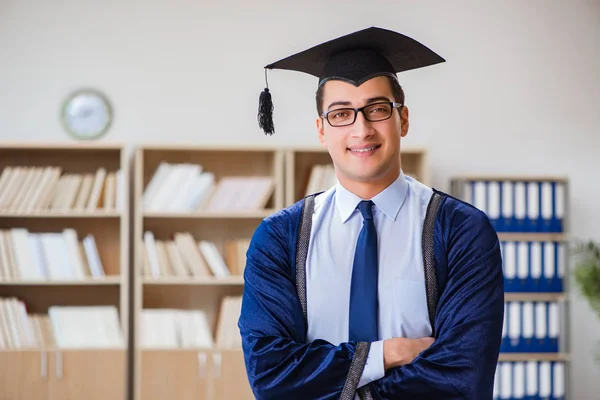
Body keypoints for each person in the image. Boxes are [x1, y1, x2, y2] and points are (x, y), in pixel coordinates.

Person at [238, 26, 504, 400]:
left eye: (377, 109)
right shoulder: (280, 238)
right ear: (321, 130)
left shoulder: (460, 230)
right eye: (341, 114)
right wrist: (388, 354)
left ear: (403, 120)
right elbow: (270, 374)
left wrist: (326, 383)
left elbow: (462, 378)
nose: (361, 129)